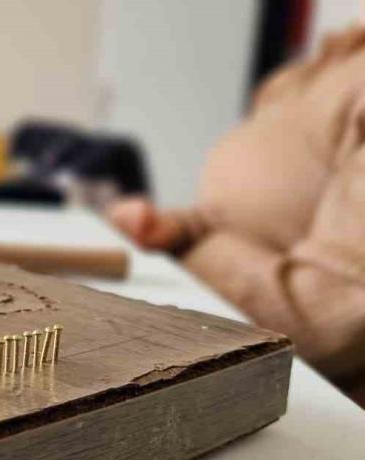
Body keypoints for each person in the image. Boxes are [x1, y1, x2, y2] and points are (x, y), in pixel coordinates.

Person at [106, 25, 365, 404]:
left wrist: (186, 254)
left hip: (297, 403)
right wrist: (177, 228)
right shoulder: (316, 66)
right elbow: (240, 211)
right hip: (213, 351)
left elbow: (331, 322)